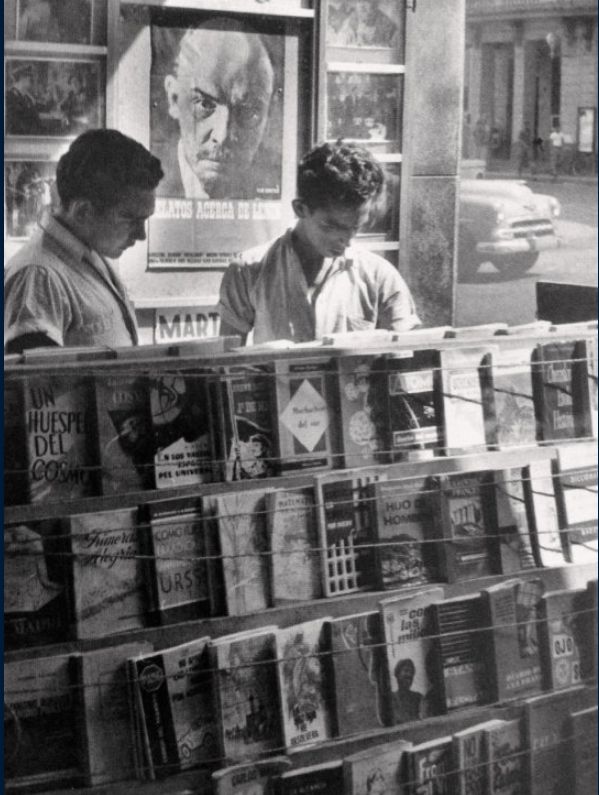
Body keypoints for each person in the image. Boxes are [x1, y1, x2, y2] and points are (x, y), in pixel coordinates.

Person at [217, 141, 420, 345]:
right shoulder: (248, 271)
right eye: (331, 226)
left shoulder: (381, 278)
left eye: (355, 228)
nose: (346, 240)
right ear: (300, 209)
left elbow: (407, 361)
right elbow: (226, 362)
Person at [4, 129, 163, 353]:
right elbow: (36, 384)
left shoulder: (88, 254)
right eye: (130, 219)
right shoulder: (39, 276)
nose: (141, 235)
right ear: (83, 212)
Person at [159, 19, 275, 200]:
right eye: (204, 105)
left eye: (248, 112)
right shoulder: (142, 183)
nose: (221, 137)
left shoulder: (275, 187)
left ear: (268, 116)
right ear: (174, 99)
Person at [5, 64, 42, 135]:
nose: (32, 81)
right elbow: (15, 124)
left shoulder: (27, 97)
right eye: (30, 78)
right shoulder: (9, 96)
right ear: (22, 78)